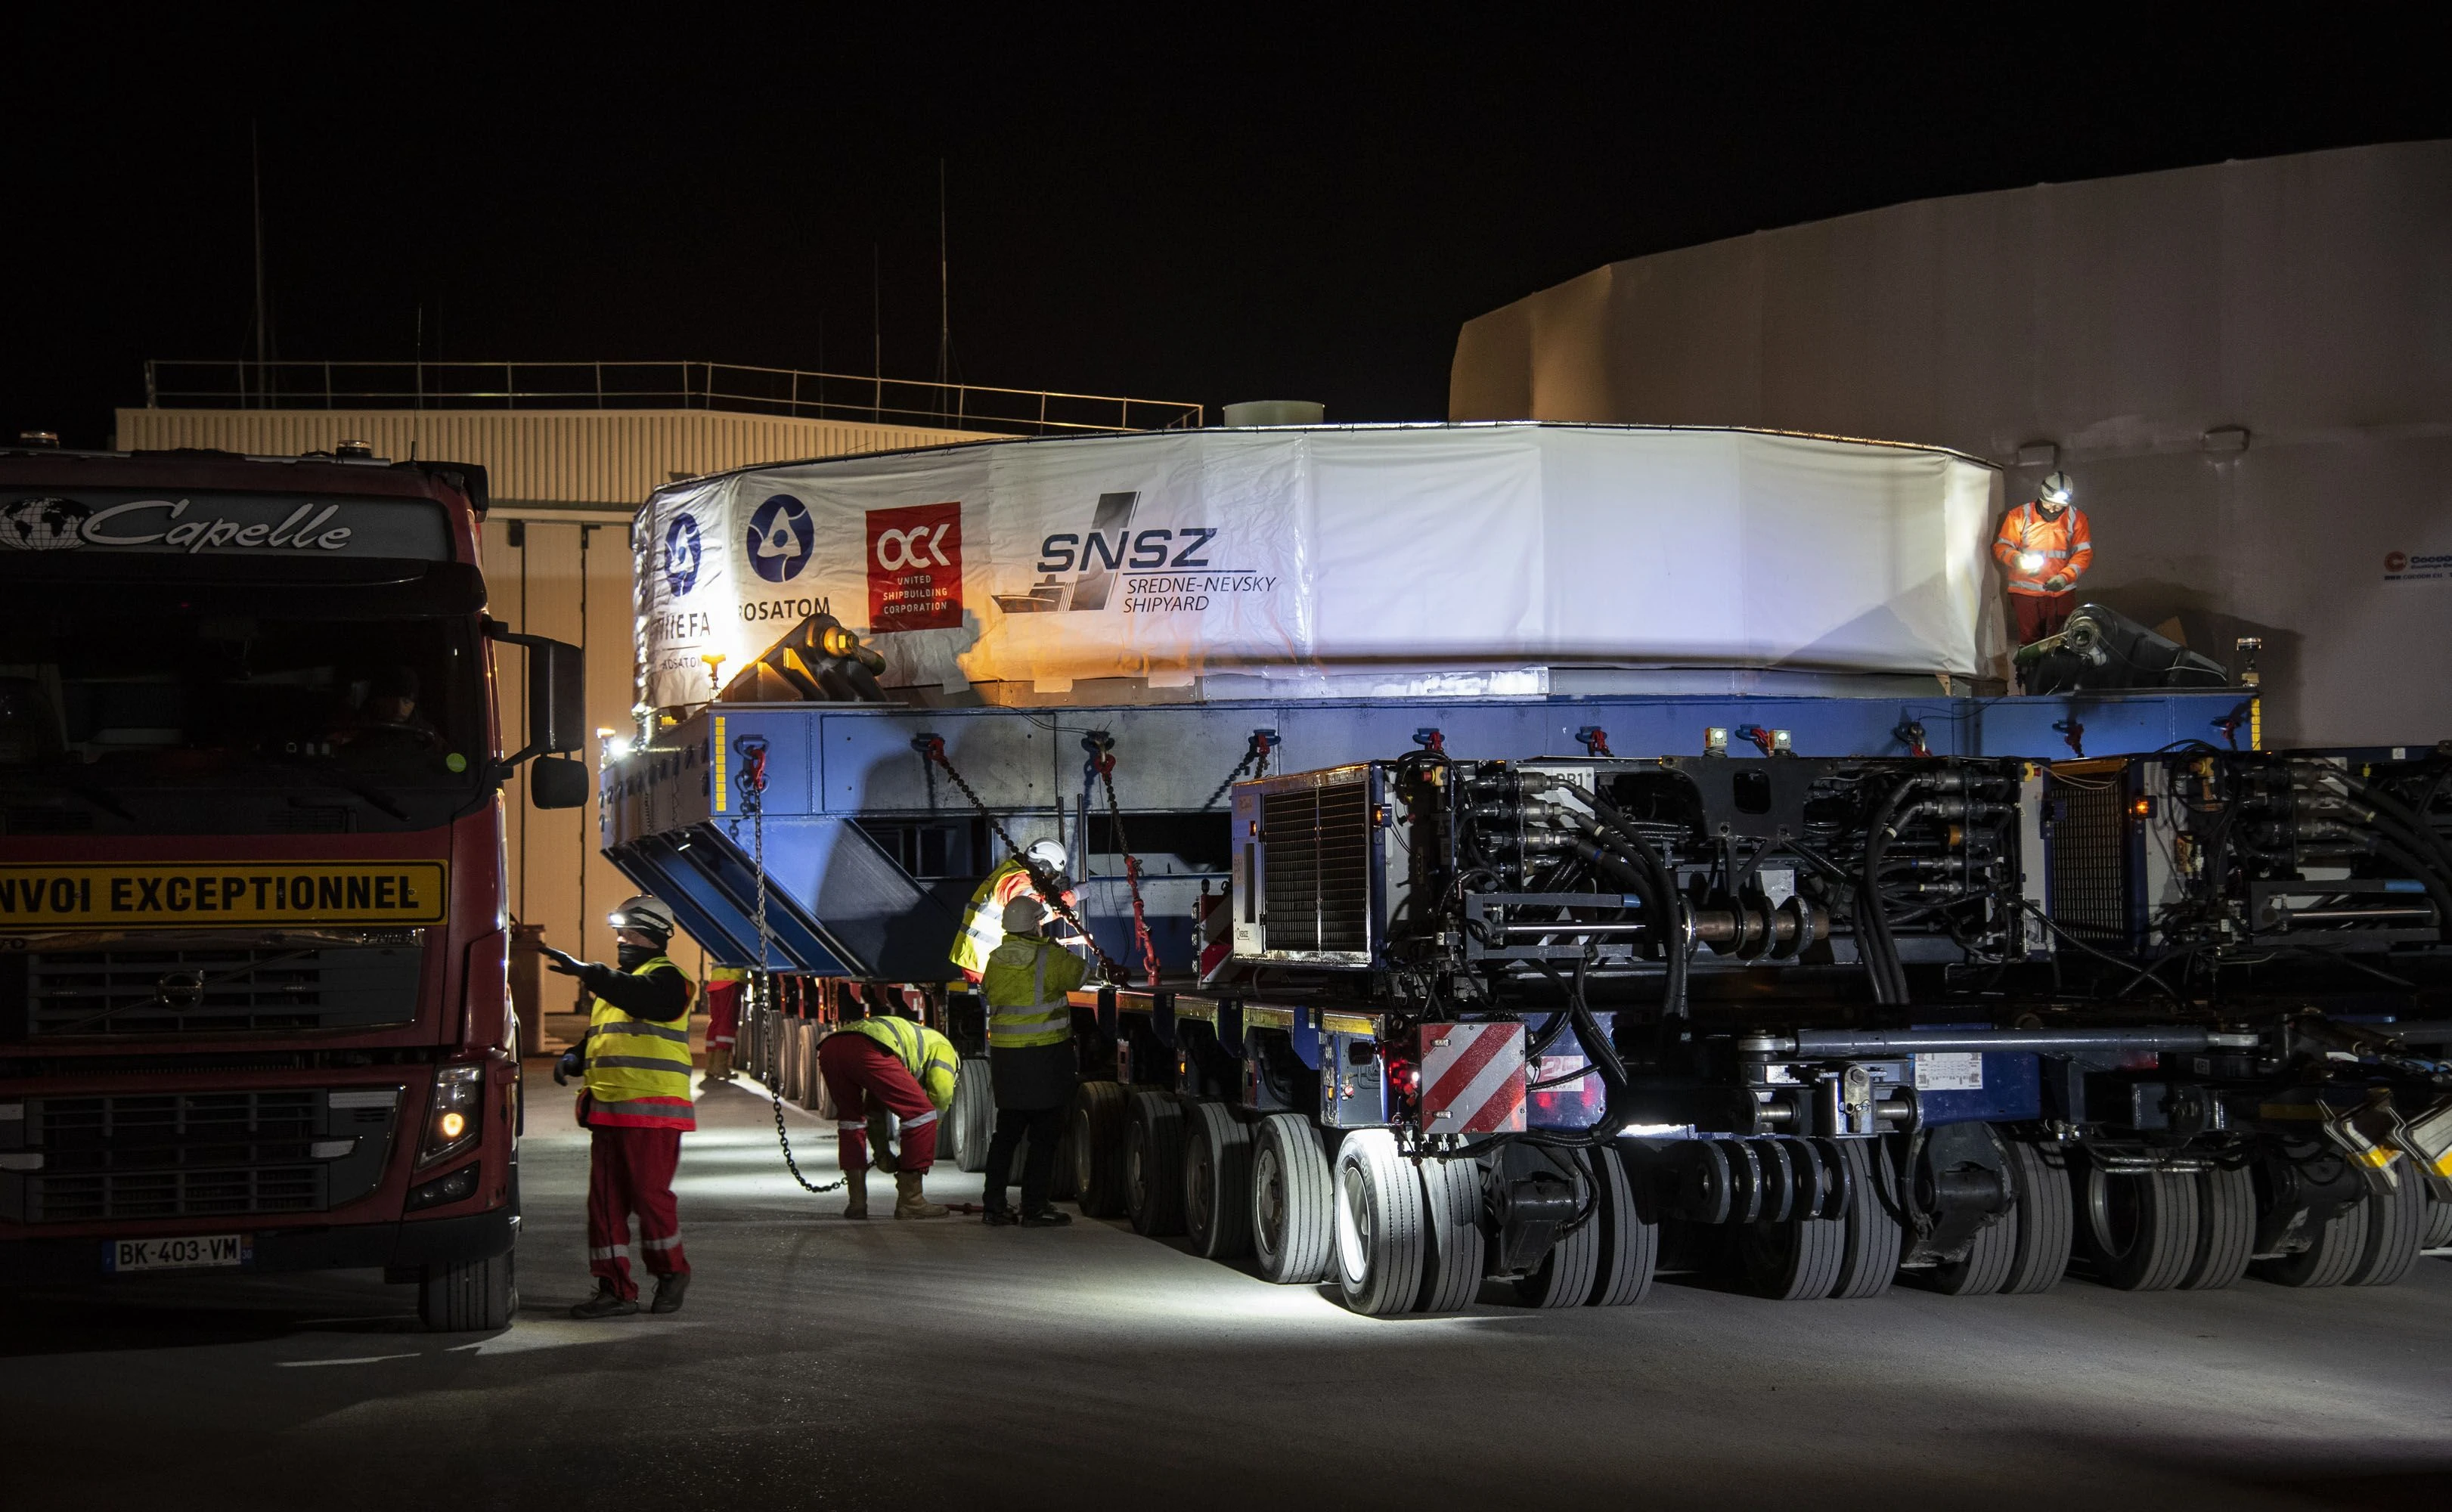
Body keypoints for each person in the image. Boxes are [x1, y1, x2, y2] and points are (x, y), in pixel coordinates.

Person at [547, 896, 697, 1318]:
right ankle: (614, 1289)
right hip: (609, 1108)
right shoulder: (618, 985)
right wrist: (577, 1055)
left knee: (650, 1199)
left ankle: (671, 1272)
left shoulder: (670, 980)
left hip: (652, 1110)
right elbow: (611, 1030)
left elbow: (650, 1002)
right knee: (604, 1204)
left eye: (627, 931)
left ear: (649, 935)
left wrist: (588, 972)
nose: (619, 939)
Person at [978, 897, 1087, 1228]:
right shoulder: (1048, 957)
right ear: (1037, 924)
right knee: (1044, 1135)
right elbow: (1081, 975)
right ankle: (1035, 1207)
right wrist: (1055, 947)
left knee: (1006, 1133)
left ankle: (994, 1206)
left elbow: (986, 991)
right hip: (1044, 1057)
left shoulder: (995, 959)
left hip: (1007, 1060)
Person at [815, 1002, 960, 1219]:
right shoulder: (945, 1050)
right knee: (923, 1115)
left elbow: (874, 1114)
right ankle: (911, 1201)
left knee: (851, 1122)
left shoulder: (904, 1051)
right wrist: (918, 1146)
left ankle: (857, 1204)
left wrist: (882, 1154)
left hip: (831, 1048)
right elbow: (939, 1098)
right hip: (870, 1048)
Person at [949, 838, 1075, 984]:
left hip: (978, 958)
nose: (1049, 880)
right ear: (1043, 865)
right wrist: (1072, 897)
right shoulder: (1019, 880)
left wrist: (1061, 909)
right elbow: (1031, 916)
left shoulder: (1011, 870)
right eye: (1052, 874)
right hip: (987, 960)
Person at [1992, 471, 2094, 646]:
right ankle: (2029, 672)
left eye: (2059, 506)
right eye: (2050, 504)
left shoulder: (2076, 518)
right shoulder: (2019, 515)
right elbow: (2002, 547)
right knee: (2031, 642)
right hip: (2026, 593)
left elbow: (2083, 553)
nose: (2054, 509)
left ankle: (2058, 671)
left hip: (2061, 592)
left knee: (2061, 640)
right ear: (2041, 495)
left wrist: (2064, 577)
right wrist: (2017, 560)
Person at [702, 964, 746, 1085]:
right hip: (730, 979)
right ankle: (720, 1066)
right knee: (727, 1023)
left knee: (715, 1022)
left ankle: (711, 1065)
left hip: (716, 981)